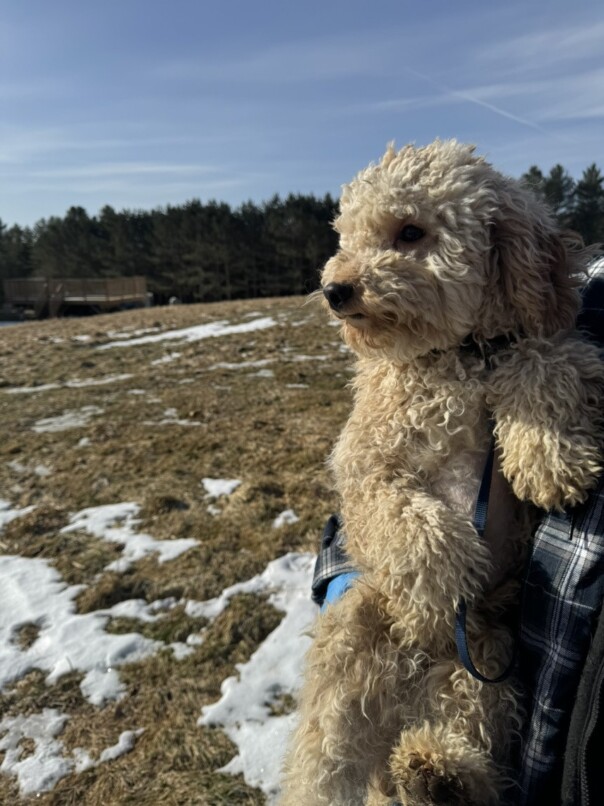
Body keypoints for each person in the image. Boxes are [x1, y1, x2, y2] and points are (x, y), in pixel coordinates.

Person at [311, 256, 604, 805]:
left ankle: (450, 781)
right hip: (388, 609)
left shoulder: (547, 335)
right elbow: (356, 486)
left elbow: (558, 360)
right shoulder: (593, 295)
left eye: (412, 236)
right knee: (340, 706)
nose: (337, 280)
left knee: (469, 702)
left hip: (501, 657)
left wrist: (540, 405)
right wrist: (345, 578)